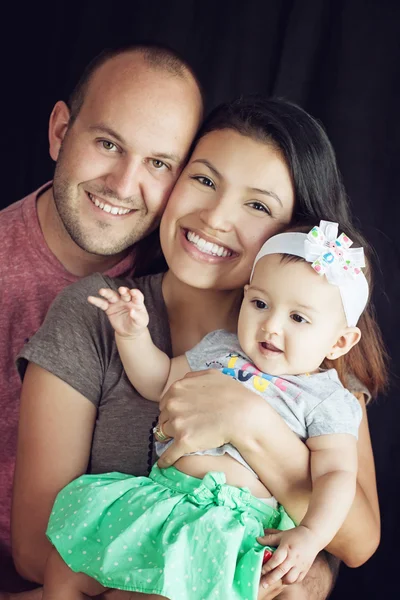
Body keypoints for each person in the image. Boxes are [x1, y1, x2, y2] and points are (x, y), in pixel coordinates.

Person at [13, 97, 384, 600]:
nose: (214, 217)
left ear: (295, 234)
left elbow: (357, 543)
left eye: (257, 205)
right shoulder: (104, 311)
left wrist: (250, 425)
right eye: (204, 180)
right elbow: (38, 550)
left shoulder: (313, 360)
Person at [41, 219, 380, 600]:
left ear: (339, 342)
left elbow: (336, 474)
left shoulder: (326, 397)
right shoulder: (221, 349)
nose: (270, 325)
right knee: (67, 565)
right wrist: (132, 335)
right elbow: (159, 379)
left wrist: (311, 534)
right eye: (260, 304)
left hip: (232, 524)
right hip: (164, 498)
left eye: (298, 318)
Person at [0, 43, 203, 594]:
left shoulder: (189, 269)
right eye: (108, 144)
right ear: (60, 130)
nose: (122, 184)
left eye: (159, 164)